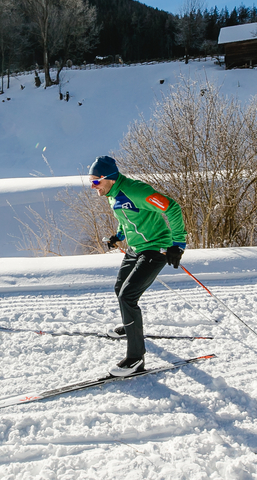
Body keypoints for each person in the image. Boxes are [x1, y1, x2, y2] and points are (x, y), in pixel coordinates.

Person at [88, 155, 187, 377]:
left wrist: (178, 245)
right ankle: (130, 327)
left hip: (156, 248)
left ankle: (135, 359)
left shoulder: (136, 190)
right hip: (135, 248)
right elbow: (126, 218)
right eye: (91, 182)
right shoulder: (112, 194)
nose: (93, 186)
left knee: (127, 296)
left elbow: (172, 207)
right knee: (119, 289)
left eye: (96, 181)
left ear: (109, 178)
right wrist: (119, 236)